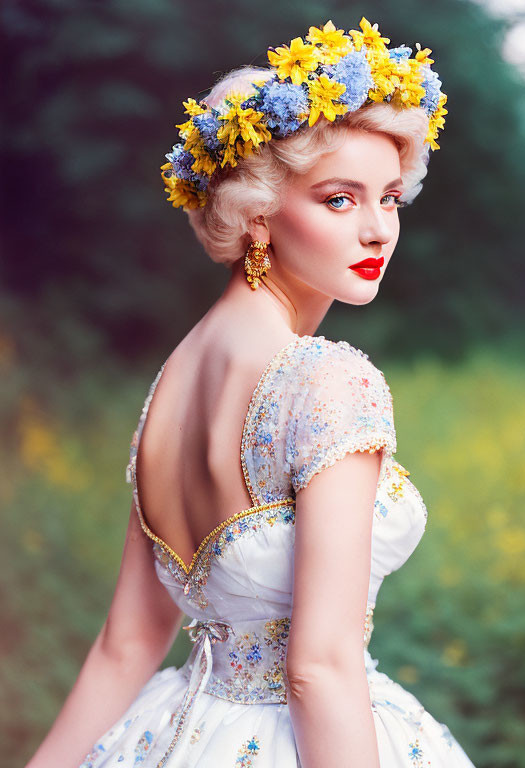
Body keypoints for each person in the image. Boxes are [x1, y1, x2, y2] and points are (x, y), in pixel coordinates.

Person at [25, 17, 474, 768]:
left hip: (171, 735)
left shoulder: (170, 382)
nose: (376, 231)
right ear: (258, 212)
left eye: (389, 198)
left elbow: (126, 644)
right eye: (338, 199)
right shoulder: (330, 378)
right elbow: (318, 668)